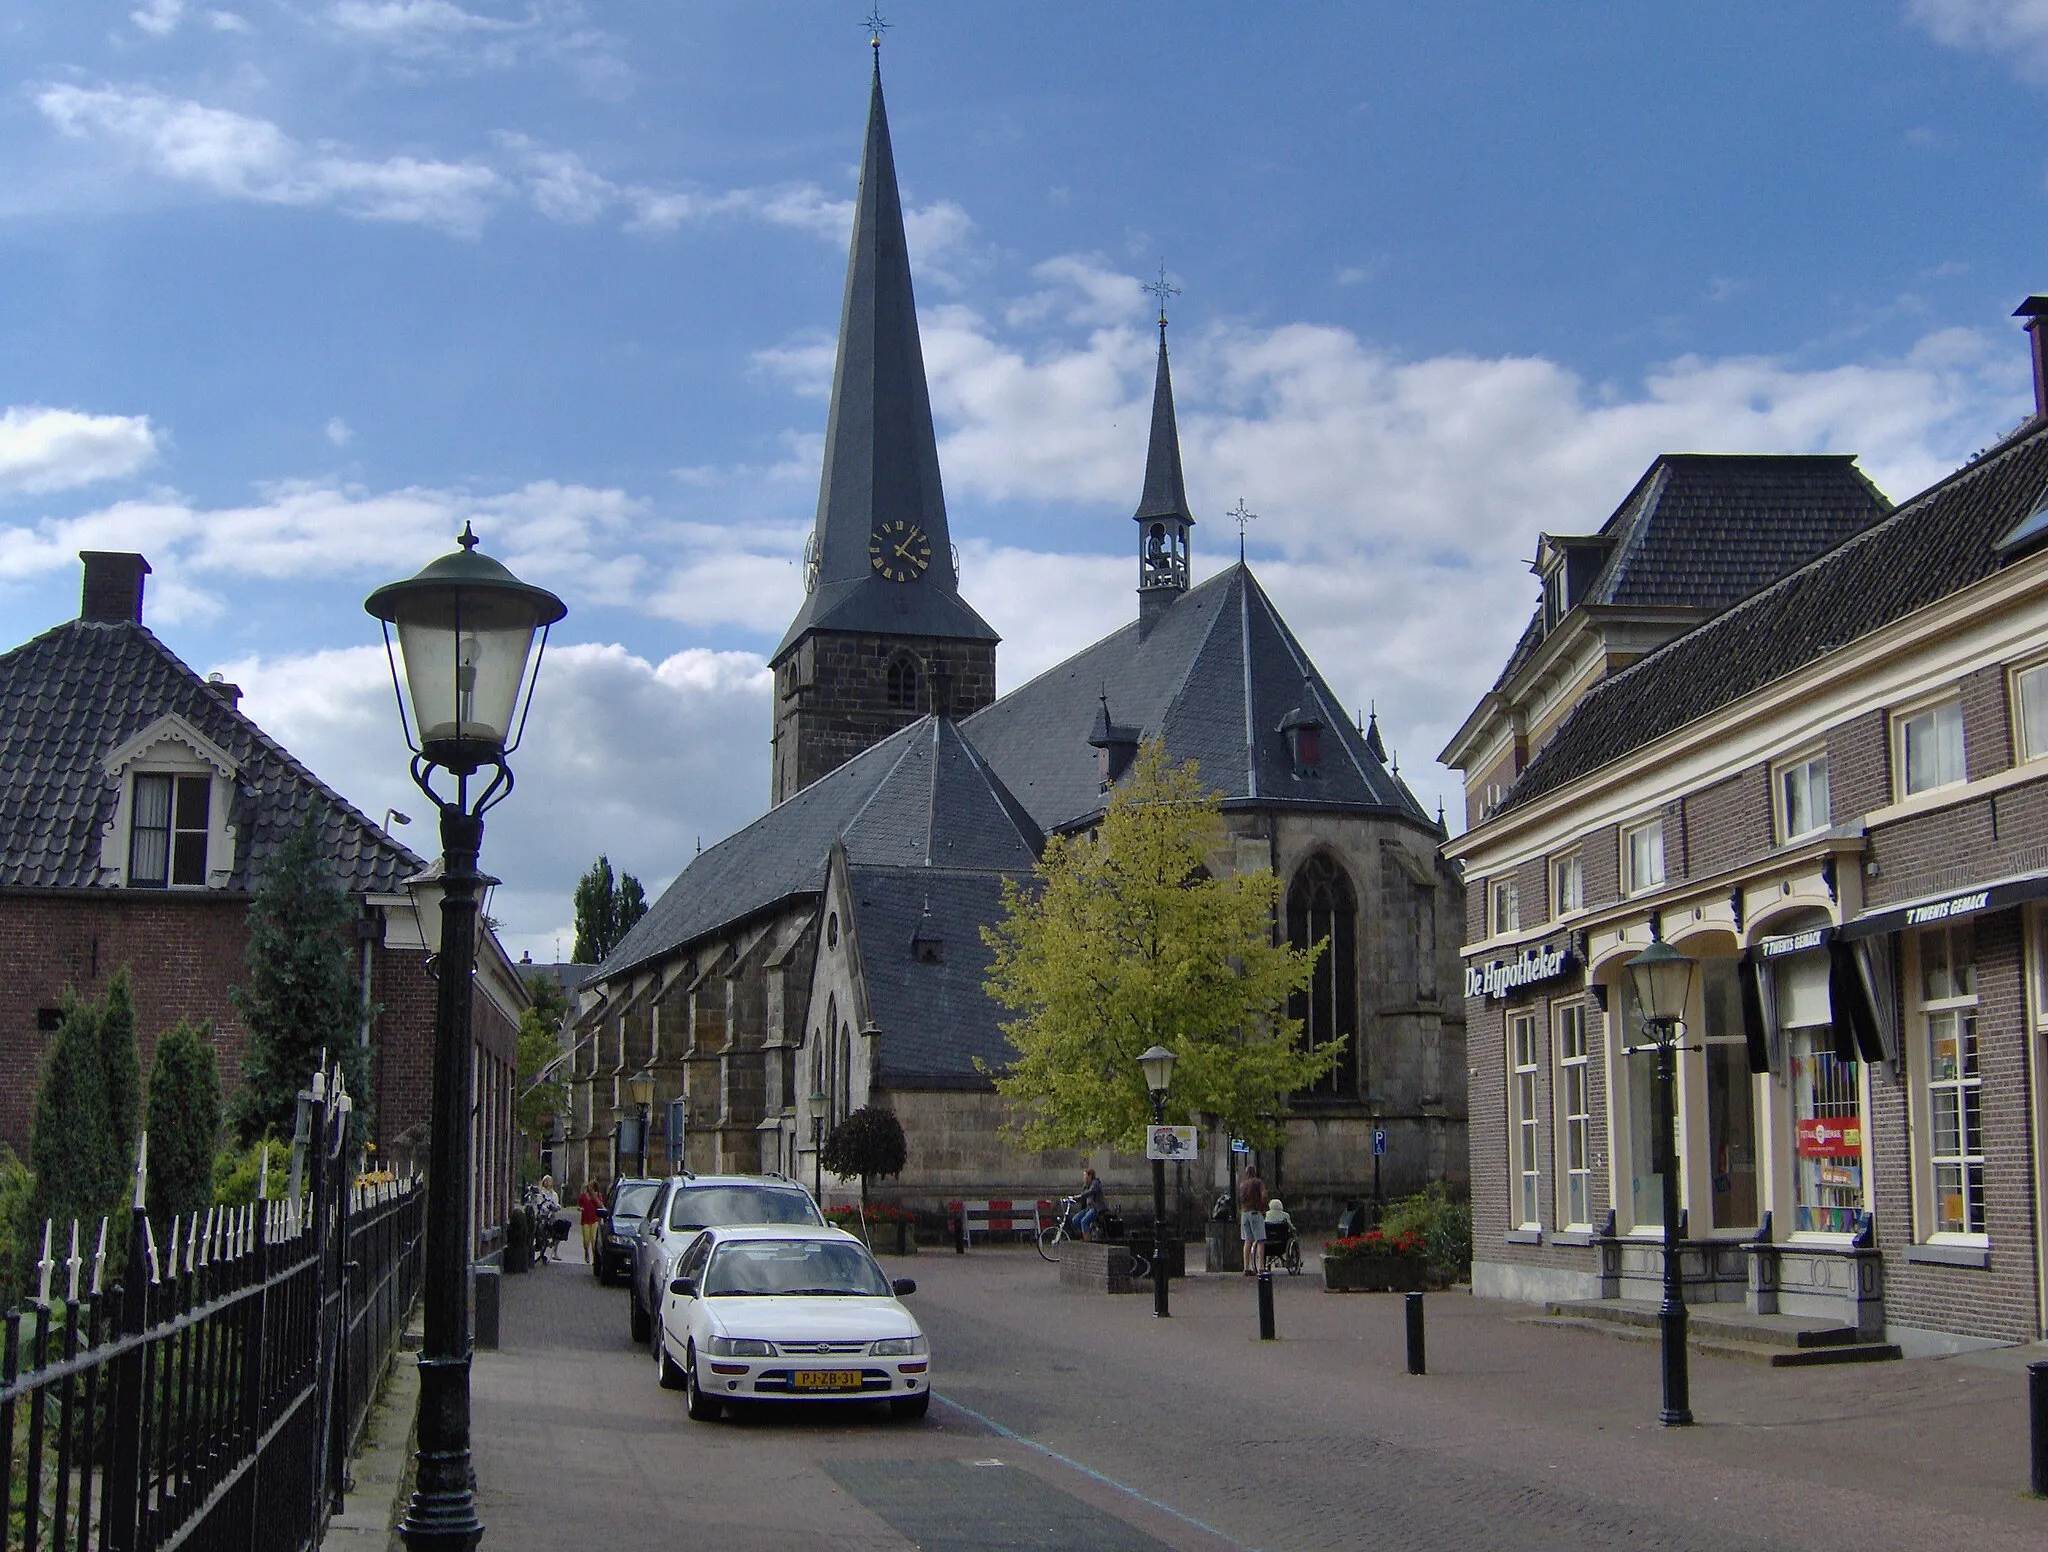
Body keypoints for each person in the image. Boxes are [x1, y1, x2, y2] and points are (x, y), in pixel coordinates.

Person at [1239, 1163, 1269, 1275]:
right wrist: (1264, 1208)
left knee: (1247, 1241)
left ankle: (1246, 1267)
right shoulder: (1258, 1182)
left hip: (1244, 1213)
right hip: (1255, 1212)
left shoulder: (1242, 1185)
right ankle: (1261, 1266)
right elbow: (1264, 1195)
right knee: (1260, 1240)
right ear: (1254, 1172)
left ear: (1246, 1173)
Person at [1070, 1166, 1107, 1239]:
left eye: (1085, 1175)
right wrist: (1073, 1199)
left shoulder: (1095, 1183)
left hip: (1097, 1208)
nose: (1083, 1178)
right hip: (1089, 1208)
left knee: (1084, 1221)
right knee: (1075, 1220)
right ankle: (1088, 1233)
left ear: (1090, 1176)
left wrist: (1080, 1196)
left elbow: (1090, 1192)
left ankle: (1088, 1241)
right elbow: (1083, 1196)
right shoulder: (1086, 1186)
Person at [577, 1179, 605, 1264]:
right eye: (589, 1186)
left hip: (594, 1220)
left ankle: (595, 1259)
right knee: (586, 1240)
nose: (589, 1188)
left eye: (591, 1187)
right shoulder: (583, 1196)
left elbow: (601, 1206)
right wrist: (580, 1208)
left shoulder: (598, 1196)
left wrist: (595, 1198)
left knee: (594, 1241)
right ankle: (586, 1252)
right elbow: (579, 1205)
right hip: (585, 1220)